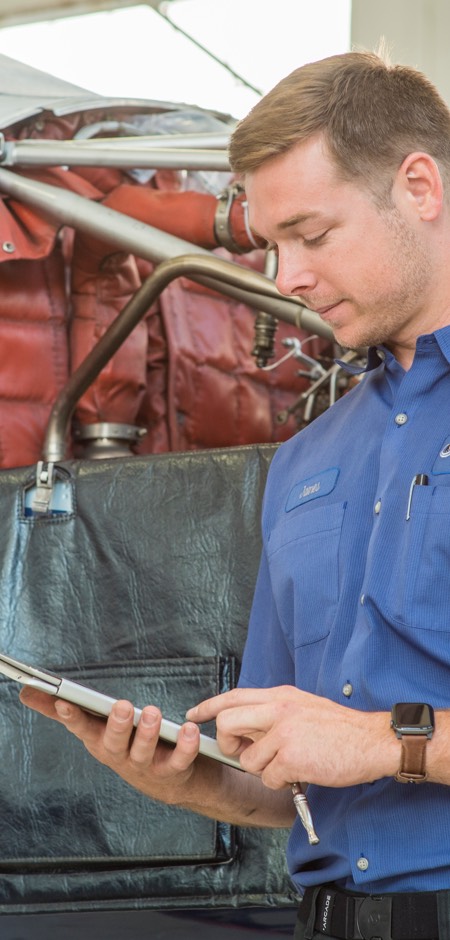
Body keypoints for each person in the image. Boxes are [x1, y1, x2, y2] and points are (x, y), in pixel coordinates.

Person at [20, 50, 450, 939]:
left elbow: (355, 748)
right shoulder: (304, 460)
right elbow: (286, 780)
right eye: (271, 246)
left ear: (420, 187)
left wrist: (382, 742)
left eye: (313, 235)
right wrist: (180, 776)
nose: (285, 278)